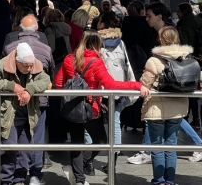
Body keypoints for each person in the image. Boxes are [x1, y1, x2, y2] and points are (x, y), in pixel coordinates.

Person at [55, 30, 150, 185]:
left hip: (72, 107)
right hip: (90, 108)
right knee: (101, 141)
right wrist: (137, 85)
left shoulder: (69, 59)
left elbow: (59, 83)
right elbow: (112, 84)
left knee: (76, 142)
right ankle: (79, 170)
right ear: (98, 44)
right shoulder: (96, 62)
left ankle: (79, 180)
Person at [0, 42, 50, 185]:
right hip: (8, 116)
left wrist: (30, 89)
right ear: (16, 61)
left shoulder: (36, 64)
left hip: (28, 116)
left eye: (30, 65)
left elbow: (46, 80)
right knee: (9, 150)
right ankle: (6, 180)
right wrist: (13, 86)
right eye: (25, 65)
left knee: (26, 151)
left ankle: (19, 180)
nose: (29, 68)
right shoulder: (1, 64)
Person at [140, 26, 189, 185]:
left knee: (157, 147)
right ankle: (170, 181)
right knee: (171, 146)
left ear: (161, 40)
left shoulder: (154, 60)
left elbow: (145, 84)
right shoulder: (186, 58)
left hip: (157, 108)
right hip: (178, 109)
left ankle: (158, 181)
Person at [96, 12, 135, 174]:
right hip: (117, 88)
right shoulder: (121, 43)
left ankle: (88, 161)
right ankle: (113, 162)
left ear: (103, 25)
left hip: (100, 88)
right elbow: (126, 65)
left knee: (92, 122)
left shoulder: (97, 41)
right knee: (115, 124)